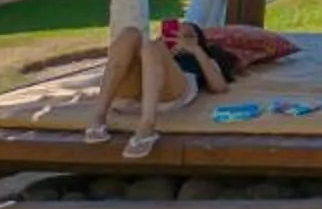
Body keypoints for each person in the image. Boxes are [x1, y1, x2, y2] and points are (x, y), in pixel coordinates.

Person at [82, 17, 237, 158]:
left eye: (188, 36)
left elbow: (220, 87)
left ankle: (147, 127)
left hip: (170, 92)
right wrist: (161, 46)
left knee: (151, 47)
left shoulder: (203, 58)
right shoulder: (155, 49)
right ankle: (98, 117)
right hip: (134, 95)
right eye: (174, 34)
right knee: (130, 33)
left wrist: (195, 50)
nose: (180, 39)